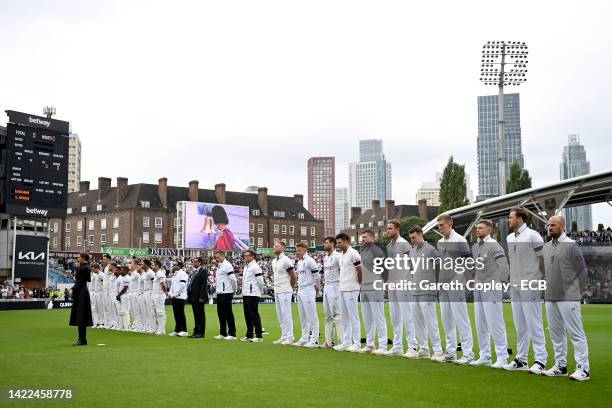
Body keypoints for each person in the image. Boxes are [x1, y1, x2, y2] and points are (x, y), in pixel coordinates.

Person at [541, 215, 590, 381]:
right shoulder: (546, 247)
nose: (550, 227)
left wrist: (576, 292)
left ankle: (584, 369)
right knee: (556, 334)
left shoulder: (571, 246)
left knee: (576, 333)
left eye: (553, 225)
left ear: (562, 226)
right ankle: (560, 366)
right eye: (548, 225)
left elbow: (583, 271)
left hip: (568, 298)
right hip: (550, 297)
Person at [504, 208, 548, 373]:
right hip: (514, 285)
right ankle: (521, 359)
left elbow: (542, 259)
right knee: (520, 325)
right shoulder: (509, 238)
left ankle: (540, 360)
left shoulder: (533, 235)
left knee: (534, 322)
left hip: (531, 284)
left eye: (511, 217)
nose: (509, 220)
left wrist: (540, 280)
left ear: (520, 219)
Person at [469, 219, 510, 369]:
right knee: (480, 323)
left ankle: (502, 357)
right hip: (478, 289)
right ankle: (485, 355)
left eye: (481, 228)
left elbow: (503, 267)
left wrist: (501, 284)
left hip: (491, 288)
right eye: (476, 228)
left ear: (489, 230)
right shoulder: (475, 247)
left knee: (495, 322)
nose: (477, 230)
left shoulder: (494, 245)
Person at [436, 214, 475, 364]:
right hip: (443, 285)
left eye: (442, 225)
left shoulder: (460, 240)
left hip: (456, 285)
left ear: (450, 225)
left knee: (461, 319)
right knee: (446, 320)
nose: (440, 228)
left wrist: (467, 281)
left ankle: (468, 354)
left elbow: (469, 263)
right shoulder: (439, 242)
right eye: (438, 226)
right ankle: (451, 353)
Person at [408, 227, 444, 362]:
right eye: (411, 238)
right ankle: (423, 349)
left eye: (414, 237)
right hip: (415, 291)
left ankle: (438, 351)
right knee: (418, 323)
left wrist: (434, 284)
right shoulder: (412, 251)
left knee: (431, 322)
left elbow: (439, 267)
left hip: (428, 291)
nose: (412, 240)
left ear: (421, 235)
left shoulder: (431, 250)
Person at [385, 219, 418, 357]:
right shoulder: (388, 245)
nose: (388, 231)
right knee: (394, 316)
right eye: (387, 229)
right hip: (393, 284)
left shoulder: (404, 244)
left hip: (404, 283)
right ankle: (397, 346)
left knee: (407, 315)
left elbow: (413, 263)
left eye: (390, 228)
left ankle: (413, 347)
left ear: (397, 229)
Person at [359, 230, 388, 355]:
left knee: (378, 316)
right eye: (362, 237)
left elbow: (385, 268)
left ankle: (383, 345)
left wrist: (384, 283)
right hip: (364, 287)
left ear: (371, 237)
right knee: (367, 317)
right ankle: (370, 344)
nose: (362, 239)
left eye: (364, 237)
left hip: (375, 286)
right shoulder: (363, 251)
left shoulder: (377, 251)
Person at [333, 233, 362, 353]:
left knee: (353, 316)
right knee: (345, 317)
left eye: (339, 243)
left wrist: (358, 284)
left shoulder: (354, 253)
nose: (338, 245)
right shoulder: (341, 255)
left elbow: (359, 270)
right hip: (343, 288)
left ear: (346, 241)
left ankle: (357, 343)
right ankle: (347, 341)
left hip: (351, 288)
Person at [293, 243, 321, 348]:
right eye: (297, 250)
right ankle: (304, 338)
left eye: (299, 250)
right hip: (300, 290)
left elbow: (317, 276)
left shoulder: (310, 261)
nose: (297, 252)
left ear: (305, 250)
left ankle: (315, 340)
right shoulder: (300, 262)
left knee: (312, 315)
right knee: (303, 316)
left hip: (308, 289)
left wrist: (317, 288)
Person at [272, 241, 297, 345]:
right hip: (277, 290)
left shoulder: (286, 260)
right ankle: (284, 335)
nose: (274, 247)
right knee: (280, 314)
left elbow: (293, 275)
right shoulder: (274, 261)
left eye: (276, 246)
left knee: (286, 314)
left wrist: (290, 287)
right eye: (274, 246)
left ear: (282, 247)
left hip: (285, 289)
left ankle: (290, 337)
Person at [321, 237, 343, 349]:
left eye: (326, 243)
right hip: (327, 286)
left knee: (337, 314)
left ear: (333, 244)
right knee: (327, 315)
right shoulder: (325, 258)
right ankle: (328, 341)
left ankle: (341, 341)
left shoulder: (338, 256)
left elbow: (342, 271)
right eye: (324, 243)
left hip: (335, 285)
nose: (324, 244)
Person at [68, 252, 93, 346]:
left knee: (81, 315)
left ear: (83, 258)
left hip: (82, 292)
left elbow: (81, 281)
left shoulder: (85, 268)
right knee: (80, 316)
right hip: (80, 292)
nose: (78, 258)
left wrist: (72, 289)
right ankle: (82, 338)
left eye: (79, 257)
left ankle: (82, 339)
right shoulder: (83, 267)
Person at [240, 250, 264, 342]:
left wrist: (259, 292)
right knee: (247, 315)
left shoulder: (255, 267)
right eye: (245, 255)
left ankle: (259, 336)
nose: (245, 257)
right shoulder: (247, 267)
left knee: (254, 315)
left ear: (252, 256)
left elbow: (260, 282)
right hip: (246, 294)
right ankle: (249, 335)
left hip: (253, 294)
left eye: (247, 255)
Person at [213, 251, 238, 340]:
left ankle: (232, 334)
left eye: (218, 257)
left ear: (223, 256)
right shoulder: (220, 266)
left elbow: (233, 279)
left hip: (226, 293)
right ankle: (223, 333)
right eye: (215, 257)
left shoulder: (227, 265)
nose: (216, 259)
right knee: (220, 313)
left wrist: (234, 290)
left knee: (228, 313)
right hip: (220, 292)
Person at [187, 257, 208, 338]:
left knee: (200, 315)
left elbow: (203, 284)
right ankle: (196, 331)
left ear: (200, 263)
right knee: (196, 315)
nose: (193, 263)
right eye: (193, 261)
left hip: (199, 297)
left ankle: (201, 332)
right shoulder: (194, 271)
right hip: (193, 296)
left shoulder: (203, 271)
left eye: (195, 262)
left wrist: (202, 296)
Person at [169, 261, 188, 337]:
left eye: (175, 265)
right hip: (174, 296)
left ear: (179, 266)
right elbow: (172, 285)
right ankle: (177, 330)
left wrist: (175, 294)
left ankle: (184, 330)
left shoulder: (183, 274)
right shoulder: (175, 275)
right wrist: (170, 293)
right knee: (176, 314)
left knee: (180, 313)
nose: (173, 266)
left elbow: (182, 285)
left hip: (180, 297)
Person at [151, 260, 168, 335]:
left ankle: (162, 329)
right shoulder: (156, 274)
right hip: (155, 294)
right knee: (154, 312)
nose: (152, 266)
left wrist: (165, 292)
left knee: (160, 312)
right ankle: (157, 328)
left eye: (153, 265)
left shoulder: (160, 273)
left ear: (157, 265)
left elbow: (163, 285)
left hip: (159, 295)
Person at [142, 259, 156, 334]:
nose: (142, 265)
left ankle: (153, 327)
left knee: (150, 310)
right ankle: (148, 326)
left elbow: (154, 283)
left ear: (146, 264)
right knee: (146, 310)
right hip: (145, 292)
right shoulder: (145, 272)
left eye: (143, 264)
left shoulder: (151, 273)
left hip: (150, 292)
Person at [115, 265, 130, 331]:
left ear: (126, 271)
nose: (121, 271)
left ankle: (126, 327)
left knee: (125, 311)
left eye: (122, 270)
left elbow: (125, 288)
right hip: (122, 295)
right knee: (121, 311)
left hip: (125, 295)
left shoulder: (127, 278)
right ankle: (122, 326)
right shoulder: (123, 278)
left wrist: (119, 295)